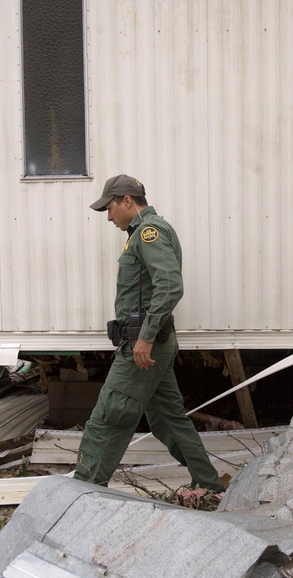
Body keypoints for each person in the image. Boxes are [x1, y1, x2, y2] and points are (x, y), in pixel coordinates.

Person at [73, 174, 225, 493]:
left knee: (111, 413)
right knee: (167, 419)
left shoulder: (149, 232)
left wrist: (145, 337)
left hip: (144, 346)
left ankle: (82, 492)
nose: (109, 216)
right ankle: (210, 484)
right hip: (153, 344)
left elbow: (169, 286)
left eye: (111, 208)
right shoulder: (141, 233)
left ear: (128, 201)